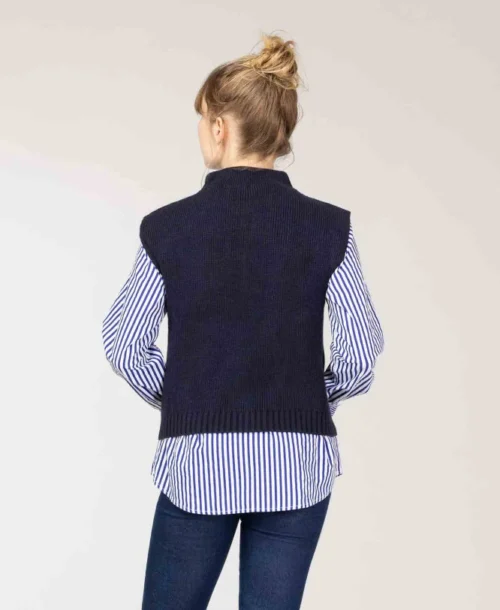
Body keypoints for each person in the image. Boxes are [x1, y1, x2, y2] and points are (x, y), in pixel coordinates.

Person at [102, 31, 384, 610]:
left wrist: (187, 398)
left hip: (197, 460)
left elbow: (124, 344)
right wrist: (313, 399)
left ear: (219, 128)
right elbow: (361, 352)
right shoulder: (330, 228)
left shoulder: (168, 229)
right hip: (299, 459)